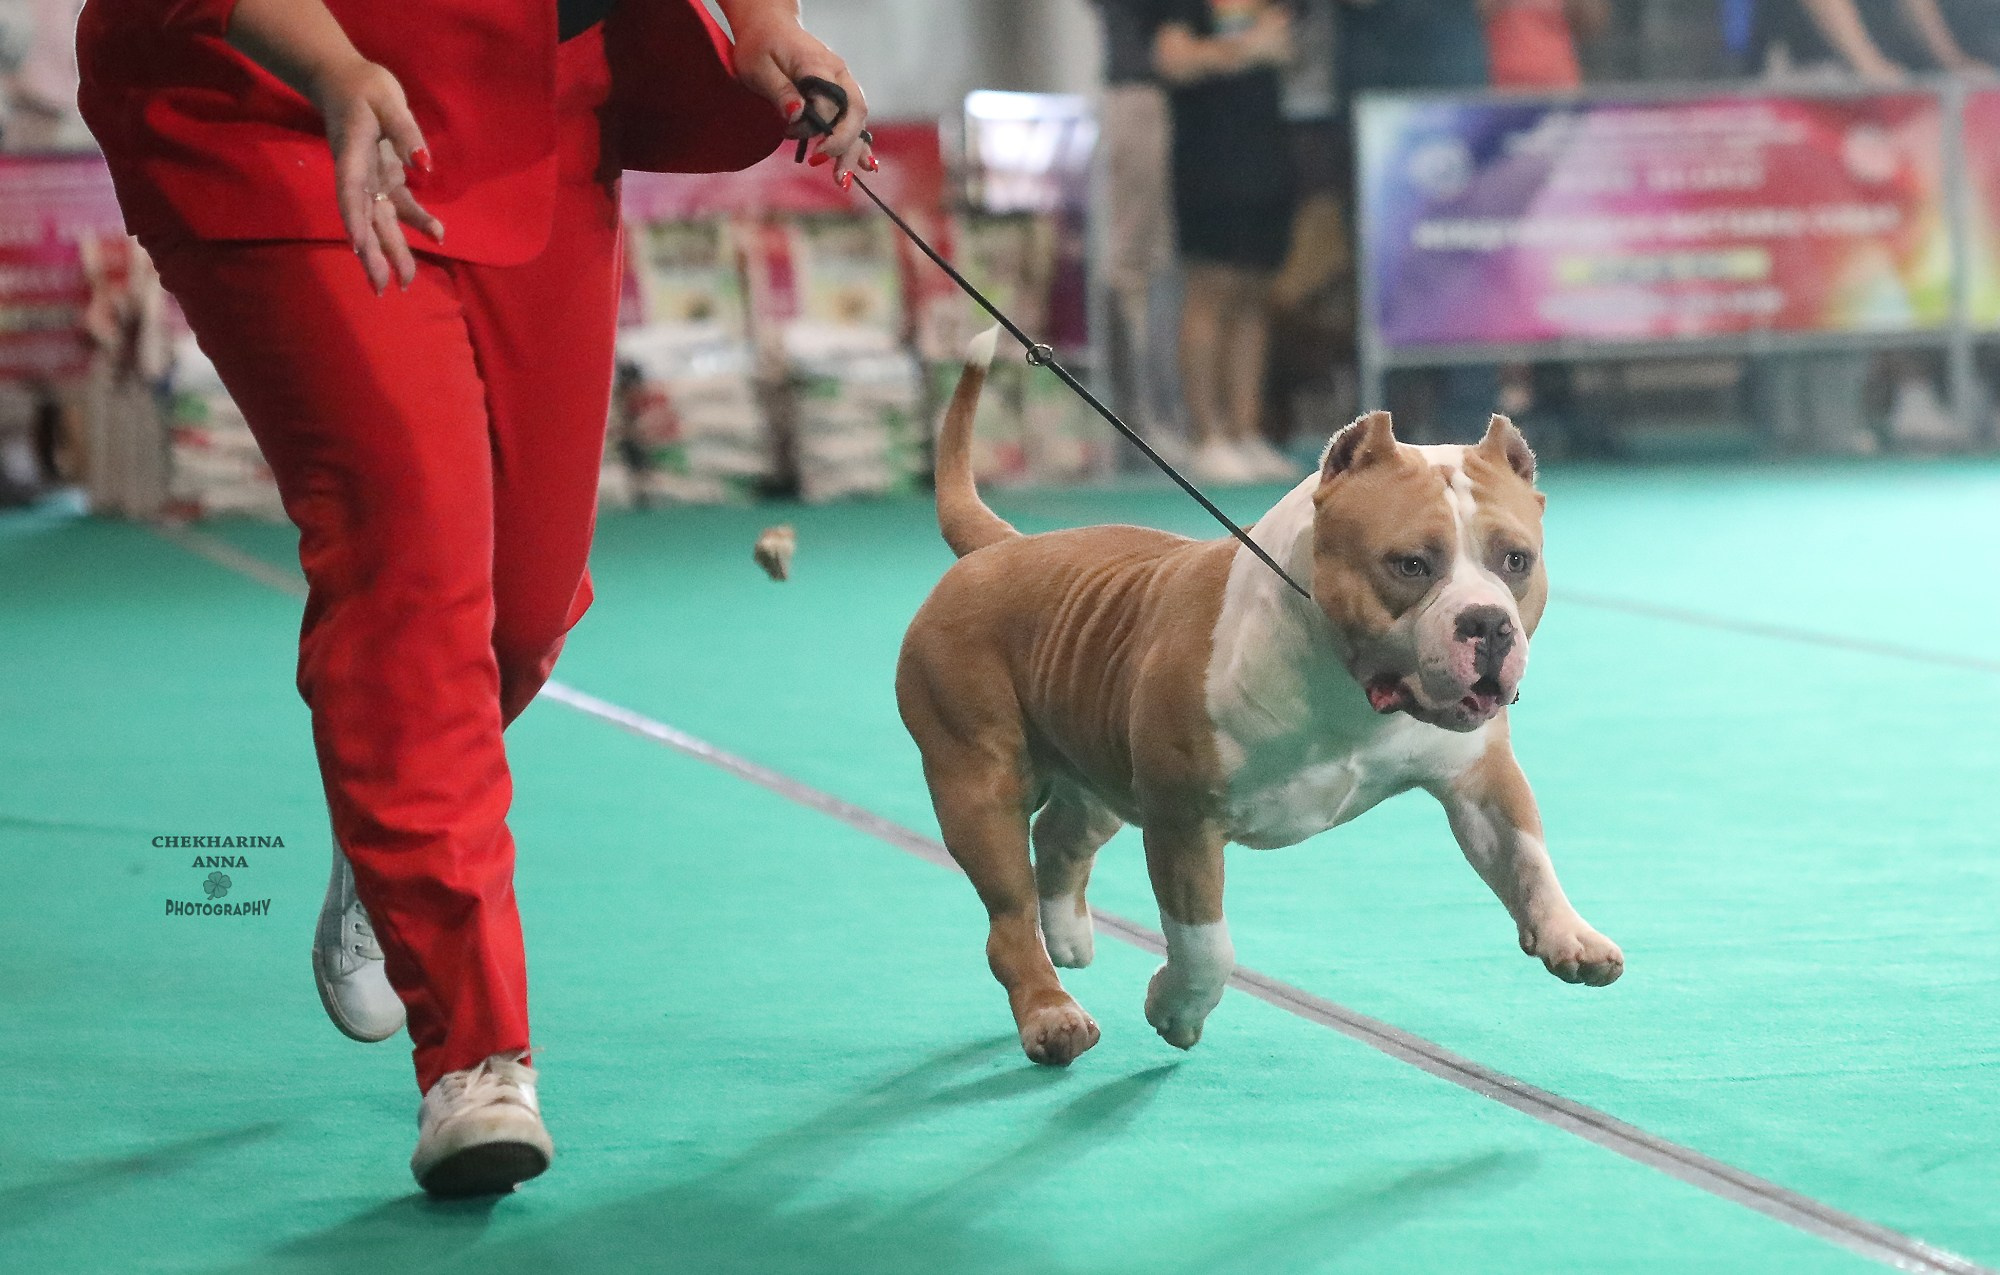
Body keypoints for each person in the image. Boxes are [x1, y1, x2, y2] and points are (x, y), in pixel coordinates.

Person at [76, 0, 872, 1196]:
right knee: (409, 564)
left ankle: (385, 830)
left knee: (522, 612)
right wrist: (335, 64)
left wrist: (762, 27)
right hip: (280, 104)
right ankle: (474, 1056)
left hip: (538, 110)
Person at [1153, 0, 1299, 483]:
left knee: (1254, 294)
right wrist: (1244, 48)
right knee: (1210, 290)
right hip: (1207, 157)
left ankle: (1245, 430)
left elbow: (1286, 44)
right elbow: (1173, 59)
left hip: (1266, 152)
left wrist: (1233, 52)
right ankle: (1206, 436)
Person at [1089, 0, 1186, 458]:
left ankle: (1153, 418)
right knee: (1131, 264)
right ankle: (1133, 423)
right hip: (1136, 92)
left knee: (1154, 263)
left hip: (1162, 94)